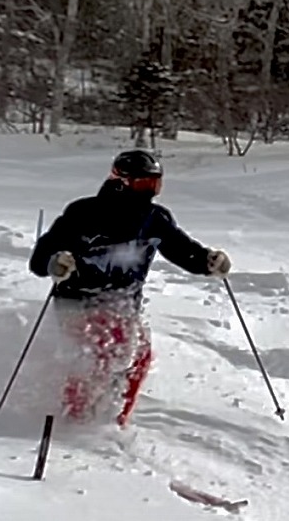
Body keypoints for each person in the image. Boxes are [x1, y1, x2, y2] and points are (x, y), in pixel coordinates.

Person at [29, 148, 231, 426]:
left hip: (123, 303)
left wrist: (208, 261)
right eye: (143, 184)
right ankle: (75, 416)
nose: (149, 192)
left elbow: (183, 250)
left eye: (155, 184)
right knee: (104, 350)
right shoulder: (83, 213)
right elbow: (39, 261)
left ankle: (114, 418)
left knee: (139, 355)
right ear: (121, 182)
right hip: (78, 301)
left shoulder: (154, 219)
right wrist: (56, 263)